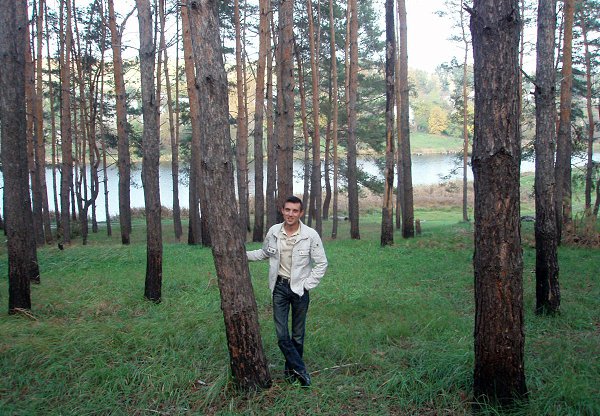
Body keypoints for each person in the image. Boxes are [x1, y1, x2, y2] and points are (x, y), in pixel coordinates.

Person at [247, 195, 328, 387]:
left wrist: (307, 285)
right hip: (279, 288)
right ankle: (301, 371)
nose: (291, 214)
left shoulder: (310, 235)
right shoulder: (274, 231)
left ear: (301, 213)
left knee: (298, 335)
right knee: (282, 335)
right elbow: (265, 253)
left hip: (300, 290)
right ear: (282, 210)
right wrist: (241, 254)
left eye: (295, 211)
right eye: (287, 210)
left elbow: (321, 263)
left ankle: (291, 374)